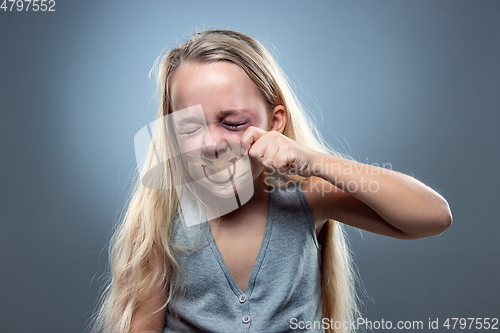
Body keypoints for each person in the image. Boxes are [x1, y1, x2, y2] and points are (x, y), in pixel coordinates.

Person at [91, 29, 452, 333]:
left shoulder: (307, 196)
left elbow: (434, 217)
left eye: (232, 124)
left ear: (275, 122)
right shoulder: (161, 219)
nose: (212, 145)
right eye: (190, 128)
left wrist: (313, 161)